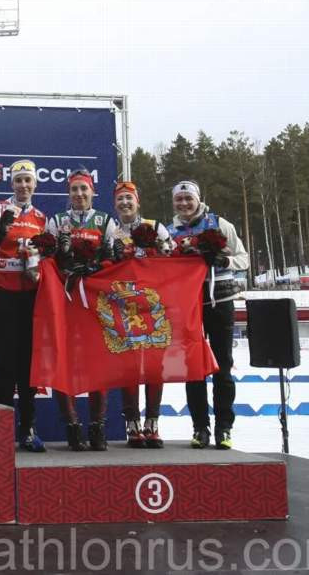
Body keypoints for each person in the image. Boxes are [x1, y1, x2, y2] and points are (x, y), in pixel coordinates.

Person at [168, 180, 249, 450]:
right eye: (179, 199)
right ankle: (200, 427)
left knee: (222, 365)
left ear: (198, 199)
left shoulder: (219, 224)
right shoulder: (169, 231)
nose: (184, 203)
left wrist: (224, 260)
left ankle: (224, 427)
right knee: (193, 367)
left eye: (188, 198)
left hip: (220, 300)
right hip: (188, 303)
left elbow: (244, 259)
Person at [45, 168, 113, 450]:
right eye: (74, 189)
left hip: (95, 301)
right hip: (66, 297)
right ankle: (72, 426)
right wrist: (61, 256)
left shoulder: (105, 220)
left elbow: (113, 259)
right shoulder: (57, 220)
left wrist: (97, 268)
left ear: (92, 192)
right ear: (68, 192)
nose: (79, 194)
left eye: (84, 189)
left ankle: (97, 426)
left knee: (98, 362)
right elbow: (47, 260)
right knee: (64, 361)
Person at [103, 181, 173, 449]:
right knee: (129, 366)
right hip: (124, 306)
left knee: (155, 365)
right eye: (120, 199)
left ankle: (152, 422)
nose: (125, 203)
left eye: (129, 198)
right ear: (115, 204)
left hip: (154, 306)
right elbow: (105, 265)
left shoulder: (155, 227)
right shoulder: (111, 231)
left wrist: (156, 252)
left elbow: (173, 258)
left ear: (137, 201)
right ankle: (132, 424)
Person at [0, 159, 47, 451]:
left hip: (30, 295)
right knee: (5, 361)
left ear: (34, 184)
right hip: (0, 293)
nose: (23, 185)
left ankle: (28, 428)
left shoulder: (42, 218)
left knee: (28, 363)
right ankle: (1, 429)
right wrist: (0, 230)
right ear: (12, 183)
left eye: (27, 180)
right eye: (18, 180)